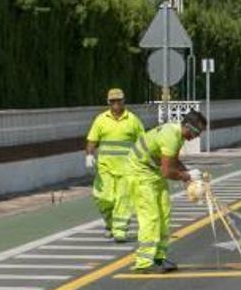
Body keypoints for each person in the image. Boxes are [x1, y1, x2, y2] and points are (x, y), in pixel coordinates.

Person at [128, 111, 207, 274]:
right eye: (196, 133)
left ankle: (159, 257)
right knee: (151, 217)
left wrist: (189, 176)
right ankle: (144, 262)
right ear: (187, 126)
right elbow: (167, 172)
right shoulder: (171, 136)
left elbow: (173, 161)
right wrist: (187, 176)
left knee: (164, 213)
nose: (196, 137)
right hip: (139, 173)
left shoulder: (178, 136)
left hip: (152, 172)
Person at [85, 88, 145, 242]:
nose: (116, 104)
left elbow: (143, 143)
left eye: (119, 100)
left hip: (127, 169)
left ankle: (119, 231)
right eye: (113, 101)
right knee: (104, 199)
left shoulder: (133, 120)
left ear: (124, 101)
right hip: (105, 168)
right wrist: (90, 154)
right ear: (108, 102)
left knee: (123, 201)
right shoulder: (101, 119)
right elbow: (92, 140)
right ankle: (110, 224)